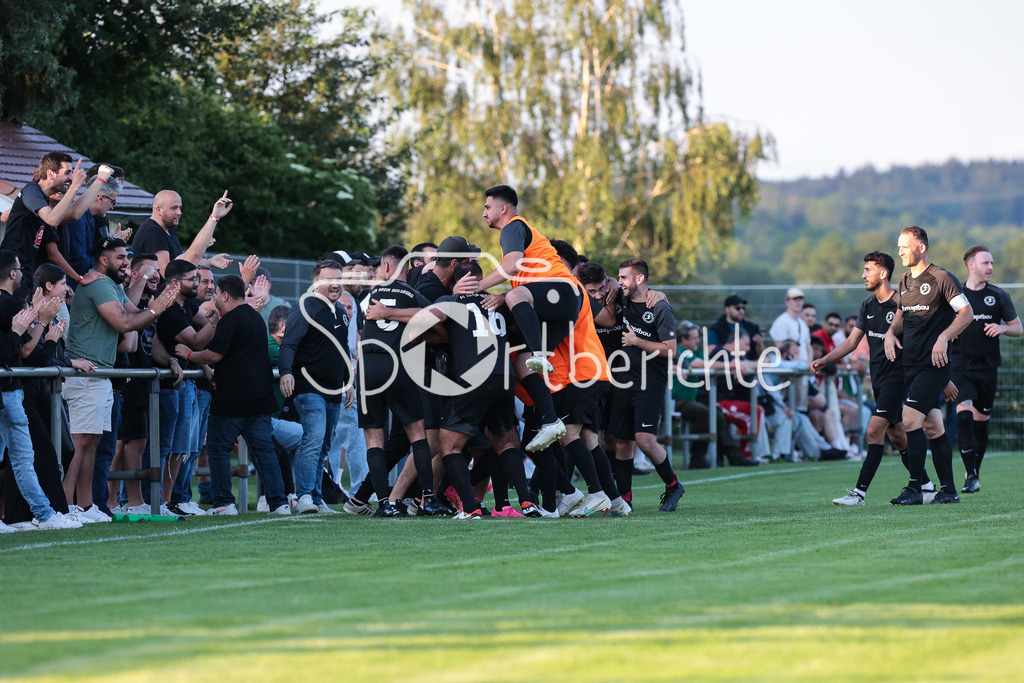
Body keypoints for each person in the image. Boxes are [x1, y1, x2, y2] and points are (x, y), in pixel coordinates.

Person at [63, 237, 179, 520]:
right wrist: (157, 308)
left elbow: (134, 312)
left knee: (91, 443)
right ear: (103, 260)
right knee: (80, 443)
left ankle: (85, 505)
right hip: (84, 374)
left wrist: (149, 295)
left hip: (99, 373)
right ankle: (65, 506)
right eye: (121, 258)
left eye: (127, 258)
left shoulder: (112, 284)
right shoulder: (100, 284)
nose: (126, 262)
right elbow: (125, 322)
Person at [813, 252, 937, 505]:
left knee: (873, 430)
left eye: (867, 270)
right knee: (898, 437)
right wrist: (826, 359)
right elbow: (851, 342)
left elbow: (922, 340)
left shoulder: (902, 304)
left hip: (898, 379)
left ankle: (858, 494)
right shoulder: (867, 305)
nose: (863, 275)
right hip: (879, 380)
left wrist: (939, 377)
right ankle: (926, 486)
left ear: (883, 273)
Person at [471, 185, 580, 452]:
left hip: (561, 292)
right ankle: (551, 421)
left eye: (487, 207)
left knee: (515, 296)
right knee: (522, 364)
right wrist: (503, 296)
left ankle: (540, 354)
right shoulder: (517, 232)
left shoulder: (513, 227)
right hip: (559, 305)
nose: (484, 213)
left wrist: (478, 286)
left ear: (502, 208)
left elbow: (512, 265)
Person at [175, 275, 290, 515]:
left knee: (217, 450)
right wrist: (216, 324)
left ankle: (224, 503)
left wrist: (189, 355)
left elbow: (214, 355)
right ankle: (279, 503)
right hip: (260, 399)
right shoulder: (255, 317)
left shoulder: (232, 319)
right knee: (265, 453)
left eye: (217, 293)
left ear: (225, 295)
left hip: (232, 400)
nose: (215, 297)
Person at [884, 226, 973, 505]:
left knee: (909, 419)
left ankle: (916, 488)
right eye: (899, 246)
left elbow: (966, 313)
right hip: (910, 366)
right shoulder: (904, 280)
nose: (900, 252)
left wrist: (943, 338)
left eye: (904, 246)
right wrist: (890, 333)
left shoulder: (942, 278)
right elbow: (901, 314)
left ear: (920, 247)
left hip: (932, 366)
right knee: (934, 428)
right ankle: (949, 490)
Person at [0, 251, 83, 530]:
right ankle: (47, 513)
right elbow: (26, 352)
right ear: (12, 273)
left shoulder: (15, 303)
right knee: (32, 457)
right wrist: (42, 323)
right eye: (63, 284)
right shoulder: (13, 304)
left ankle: (32, 515)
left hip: (17, 392)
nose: (67, 289)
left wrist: (44, 330)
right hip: (13, 392)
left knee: (24, 458)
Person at [358, 246, 435, 517]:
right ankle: (428, 498)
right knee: (417, 433)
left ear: (386, 267)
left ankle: (384, 504)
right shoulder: (414, 295)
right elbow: (433, 317)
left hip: (368, 364)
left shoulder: (369, 295)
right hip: (399, 363)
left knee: (373, 437)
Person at [608, 258, 684, 512]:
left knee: (645, 440)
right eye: (619, 277)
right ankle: (624, 500)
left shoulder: (660, 307)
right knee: (622, 441)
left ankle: (673, 485)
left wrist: (637, 341)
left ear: (639, 278)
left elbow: (670, 350)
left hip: (650, 381)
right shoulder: (622, 298)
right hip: (623, 379)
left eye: (624, 277)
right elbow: (606, 282)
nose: (620, 282)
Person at [278, 260, 354, 514]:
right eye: (329, 279)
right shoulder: (304, 308)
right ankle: (304, 497)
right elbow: (288, 344)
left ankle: (317, 500)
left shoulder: (340, 311)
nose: (335, 284)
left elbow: (343, 350)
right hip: (308, 389)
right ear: (315, 282)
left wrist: (349, 382)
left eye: (338, 279)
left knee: (323, 447)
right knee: (313, 440)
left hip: (333, 390)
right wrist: (286, 373)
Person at [951, 245, 1021, 493]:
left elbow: (1018, 328)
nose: (991, 267)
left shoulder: (999, 296)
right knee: (964, 417)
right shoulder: (956, 294)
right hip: (960, 367)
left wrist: (1002, 328)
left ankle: (975, 473)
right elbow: (940, 323)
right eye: (985, 263)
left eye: (992, 263)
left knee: (981, 424)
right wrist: (949, 332)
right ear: (971, 265)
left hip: (988, 369)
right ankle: (970, 475)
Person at [2, 153, 113, 297]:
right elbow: (52, 220)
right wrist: (75, 186)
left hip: (27, 273)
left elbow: (74, 214)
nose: (71, 177)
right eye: (67, 172)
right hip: (10, 273)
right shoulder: (31, 190)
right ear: (50, 174)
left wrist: (100, 180)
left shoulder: (45, 205)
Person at [130, 190, 233, 276]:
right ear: (158, 210)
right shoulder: (153, 231)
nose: (179, 212)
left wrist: (209, 262)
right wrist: (214, 218)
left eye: (180, 207)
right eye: (174, 208)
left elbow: (184, 268)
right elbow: (169, 274)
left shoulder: (169, 231)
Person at [708, 294, 763, 361]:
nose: (741, 311)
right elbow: (710, 355)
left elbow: (759, 355)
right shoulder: (716, 330)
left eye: (743, 308)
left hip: (750, 366)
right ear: (727, 309)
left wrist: (760, 344)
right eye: (738, 308)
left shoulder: (752, 328)